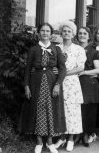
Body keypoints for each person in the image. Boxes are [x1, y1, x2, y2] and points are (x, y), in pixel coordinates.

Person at [20, 23, 66, 153]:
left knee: (51, 110)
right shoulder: (33, 49)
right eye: (42, 31)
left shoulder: (56, 49)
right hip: (36, 82)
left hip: (52, 82)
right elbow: (28, 69)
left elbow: (62, 69)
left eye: (47, 31)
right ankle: (39, 142)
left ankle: (50, 142)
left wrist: (58, 84)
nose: (45, 33)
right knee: (38, 109)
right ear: (39, 33)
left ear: (51, 34)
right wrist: (26, 86)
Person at [54, 22, 87, 151]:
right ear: (61, 33)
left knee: (73, 112)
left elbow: (80, 68)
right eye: (64, 31)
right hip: (58, 83)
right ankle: (62, 138)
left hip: (72, 83)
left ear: (73, 34)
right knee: (61, 110)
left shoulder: (79, 49)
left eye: (69, 31)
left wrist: (64, 73)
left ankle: (71, 139)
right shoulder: (56, 48)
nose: (66, 33)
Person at [77, 27, 99, 147]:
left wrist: (85, 72)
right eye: (80, 33)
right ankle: (76, 134)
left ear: (88, 36)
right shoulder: (74, 49)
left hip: (88, 83)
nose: (82, 35)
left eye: (84, 33)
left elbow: (98, 70)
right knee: (78, 109)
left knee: (89, 111)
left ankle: (86, 135)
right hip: (75, 82)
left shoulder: (93, 51)